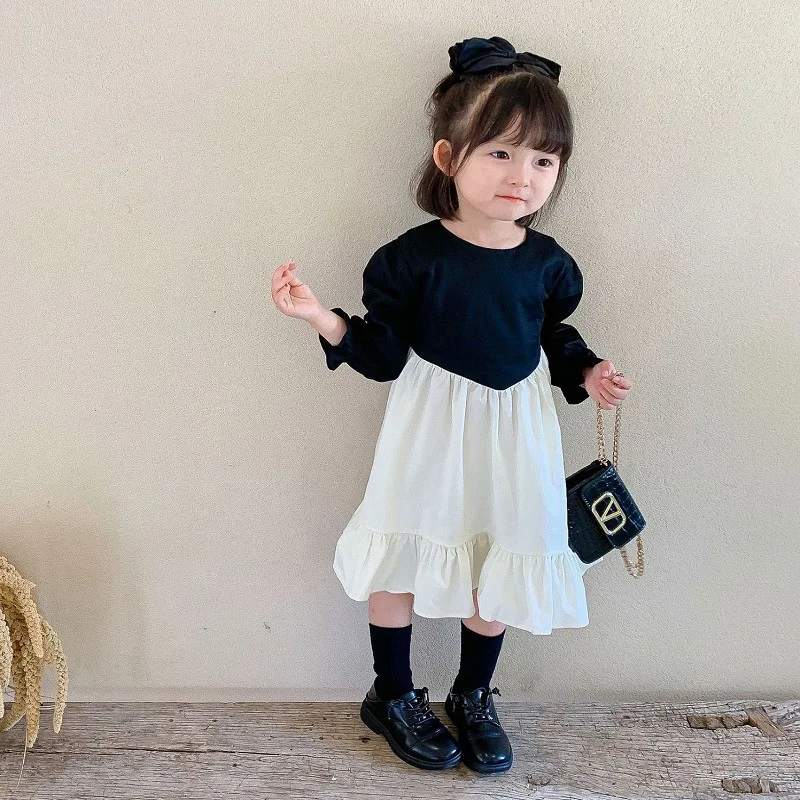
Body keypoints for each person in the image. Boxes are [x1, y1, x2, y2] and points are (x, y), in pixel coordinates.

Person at [271, 35, 633, 774]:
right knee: (402, 551)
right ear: (448, 157)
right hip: (430, 425)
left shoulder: (549, 265)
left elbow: (552, 335)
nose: (522, 176)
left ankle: (473, 694)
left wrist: (588, 370)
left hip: (517, 426)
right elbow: (382, 354)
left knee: (497, 554)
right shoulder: (411, 260)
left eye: (543, 161)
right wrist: (321, 318)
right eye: (500, 152)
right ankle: (392, 694)